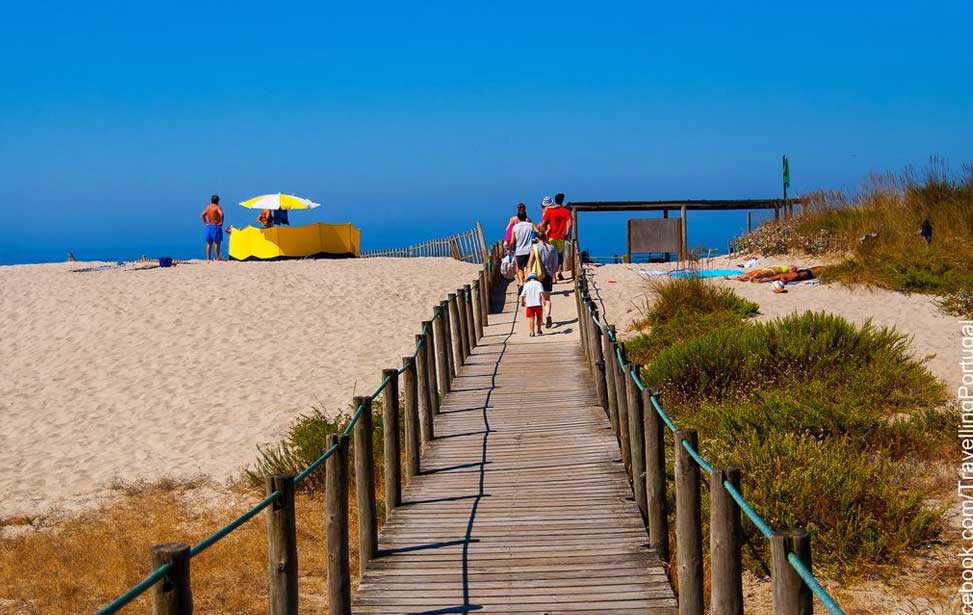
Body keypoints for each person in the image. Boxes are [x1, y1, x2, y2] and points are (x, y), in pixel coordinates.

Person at [526, 229, 558, 328]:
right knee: (547, 298)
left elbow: (530, 262)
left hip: (536, 276)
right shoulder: (551, 248)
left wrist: (527, 274)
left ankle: (540, 321)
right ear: (545, 237)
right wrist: (554, 276)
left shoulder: (534, 248)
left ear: (537, 238)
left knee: (538, 299)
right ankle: (547, 315)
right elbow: (553, 264)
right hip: (548, 275)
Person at [542, 193, 573, 280]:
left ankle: (553, 276)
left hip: (551, 236)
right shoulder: (566, 212)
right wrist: (567, 234)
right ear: (563, 200)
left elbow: (544, 223)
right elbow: (570, 224)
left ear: (555, 201)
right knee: (560, 256)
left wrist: (544, 233)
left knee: (551, 257)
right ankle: (559, 271)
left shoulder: (550, 211)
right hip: (561, 237)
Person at [511, 208, 537, 288]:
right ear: (526, 217)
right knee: (528, 267)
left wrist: (510, 249)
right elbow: (537, 232)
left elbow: (512, 241)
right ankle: (526, 281)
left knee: (519, 269)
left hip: (519, 251)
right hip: (529, 251)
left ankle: (521, 283)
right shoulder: (531, 225)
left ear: (518, 218)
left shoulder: (515, 227)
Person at [735, 265, 823, 284]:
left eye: (794, 267)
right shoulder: (788, 271)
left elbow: (780, 278)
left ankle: (753, 279)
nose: (793, 267)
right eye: (793, 267)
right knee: (751, 273)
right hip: (770, 270)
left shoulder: (787, 272)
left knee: (757, 273)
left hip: (808, 272)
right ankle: (738, 278)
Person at [200, 195, 224, 261]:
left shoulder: (208, 207)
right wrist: (221, 222)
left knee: (209, 243)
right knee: (217, 243)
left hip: (209, 226)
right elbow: (221, 214)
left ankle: (208, 258)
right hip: (216, 225)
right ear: (217, 201)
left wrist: (205, 223)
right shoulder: (217, 207)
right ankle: (217, 257)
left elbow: (202, 215)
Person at [520, 272, 545, 337]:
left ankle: (532, 332)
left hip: (529, 304)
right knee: (539, 317)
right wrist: (543, 300)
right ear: (536, 278)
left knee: (531, 318)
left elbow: (522, 295)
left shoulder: (526, 285)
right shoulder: (539, 284)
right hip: (538, 304)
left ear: (529, 279)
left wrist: (522, 302)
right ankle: (539, 330)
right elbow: (541, 293)